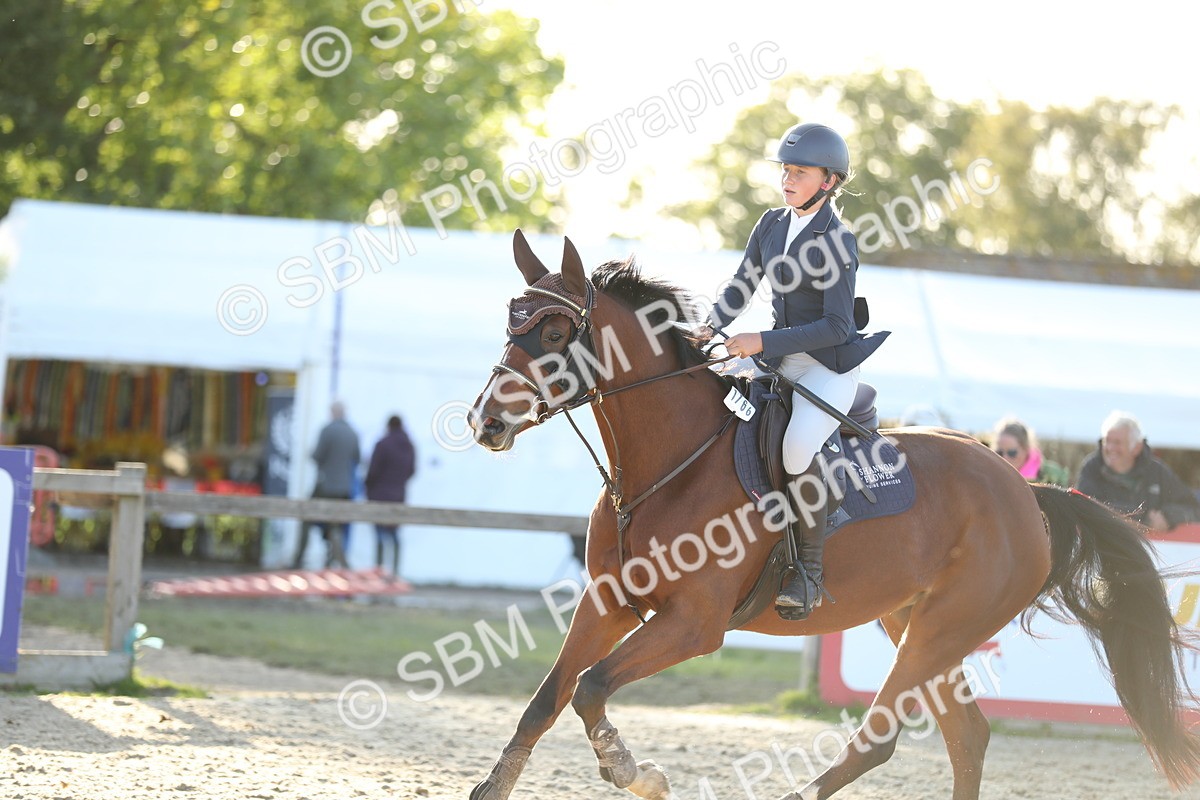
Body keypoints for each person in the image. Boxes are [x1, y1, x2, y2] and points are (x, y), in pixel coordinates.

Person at [697, 122, 889, 619]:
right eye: (786, 170)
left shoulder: (838, 241)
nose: (787, 179)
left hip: (828, 365)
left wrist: (760, 340)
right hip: (779, 358)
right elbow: (742, 286)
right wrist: (709, 326)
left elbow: (836, 326)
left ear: (827, 182)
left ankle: (808, 571)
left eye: (799, 172)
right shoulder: (771, 224)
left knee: (798, 445)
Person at [1075, 411, 1200, 532]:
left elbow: (1193, 507)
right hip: (1106, 548)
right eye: (1107, 441)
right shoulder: (1092, 468)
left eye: (1117, 442)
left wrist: (1168, 517)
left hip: (1152, 549)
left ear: (1136, 448)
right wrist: (1145, 519)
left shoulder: (1157, 471)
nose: (1110, 448)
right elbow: (1084, 508)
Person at [293, 401, 360, 569]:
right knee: (335, 525)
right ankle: (333, 560)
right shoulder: (352, 433)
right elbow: (357, 459)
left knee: (307, 518)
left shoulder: (328, 430)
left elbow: (317, 456)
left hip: (325, 485)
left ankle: (299, 559)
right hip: (344, 488)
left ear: (333, 412)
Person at [364, 414, 417, 577]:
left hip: (379, 495)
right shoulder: (409, 446)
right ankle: (395, 573)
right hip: (398, 495)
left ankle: (378, 571)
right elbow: (412, 470)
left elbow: (372, 471)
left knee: (380, 535)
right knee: (394, 535)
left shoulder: (382, 444)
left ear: (389, 426)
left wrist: (368, 487)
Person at [991, 417, 1069, 486]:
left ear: (1026, 449)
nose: (1005, 458)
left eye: (1012, 452)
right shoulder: (990, 477)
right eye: (999, 453)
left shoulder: (1053, 476)